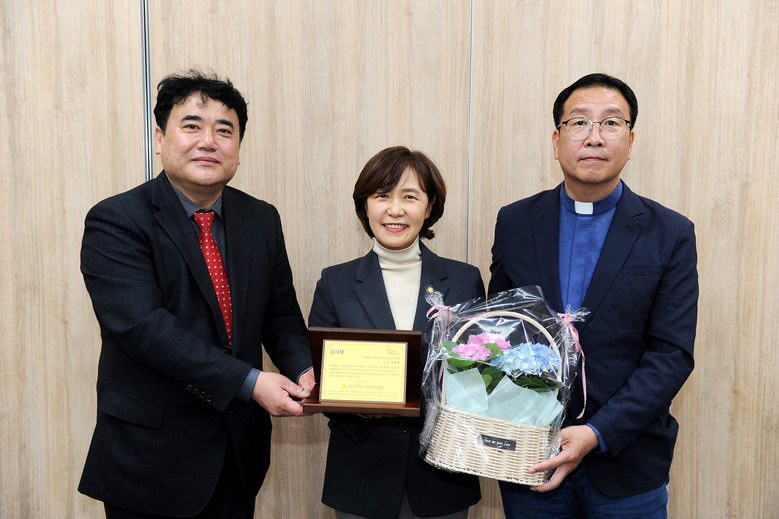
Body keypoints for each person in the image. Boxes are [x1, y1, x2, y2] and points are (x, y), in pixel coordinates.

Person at [78, 70, 315, 519]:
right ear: (159, 138)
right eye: (191, 126)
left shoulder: (261, 219)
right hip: (150, 460)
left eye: (224, 131)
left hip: (238, 455)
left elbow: (281, 317)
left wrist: (305, 370)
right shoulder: (117, 220)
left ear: (238, 148)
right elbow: (145, 329)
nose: (208, 141)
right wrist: (252, 382)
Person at [489, 73, 698, 518]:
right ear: (556, 140)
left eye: (611, 123)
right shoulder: (515, 222)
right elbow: (499, 332)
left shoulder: (671, 233)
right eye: (579, 122)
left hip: (627, 461)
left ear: (631, 140)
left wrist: (597, 432)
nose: (594, 137)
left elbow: (671, 354)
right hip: (532, 457)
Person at [308, 146, 483, 519]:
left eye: (410, 197)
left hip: (442, 476)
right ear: (365, 205)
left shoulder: (464, 280)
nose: (395, 209)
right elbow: (322, 379)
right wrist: (355, 405)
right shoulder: (335, 283)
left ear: (429, 206)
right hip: (361, 476)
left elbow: (481, 374)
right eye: (382, 195)